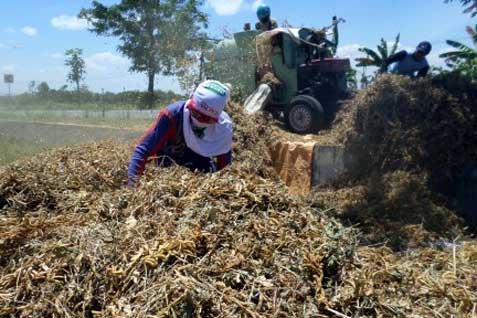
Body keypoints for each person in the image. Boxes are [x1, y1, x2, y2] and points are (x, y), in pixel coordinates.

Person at [127, 80, 233, 187]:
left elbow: (224, 169)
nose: (198, 120)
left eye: (205, 118)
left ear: (215, 119)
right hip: (169, 174)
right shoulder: (172, 116)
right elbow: (143, 150)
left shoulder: (223, 129)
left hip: (201, 175)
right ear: (190, 104)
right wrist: (131, 186)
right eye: (195, 113)